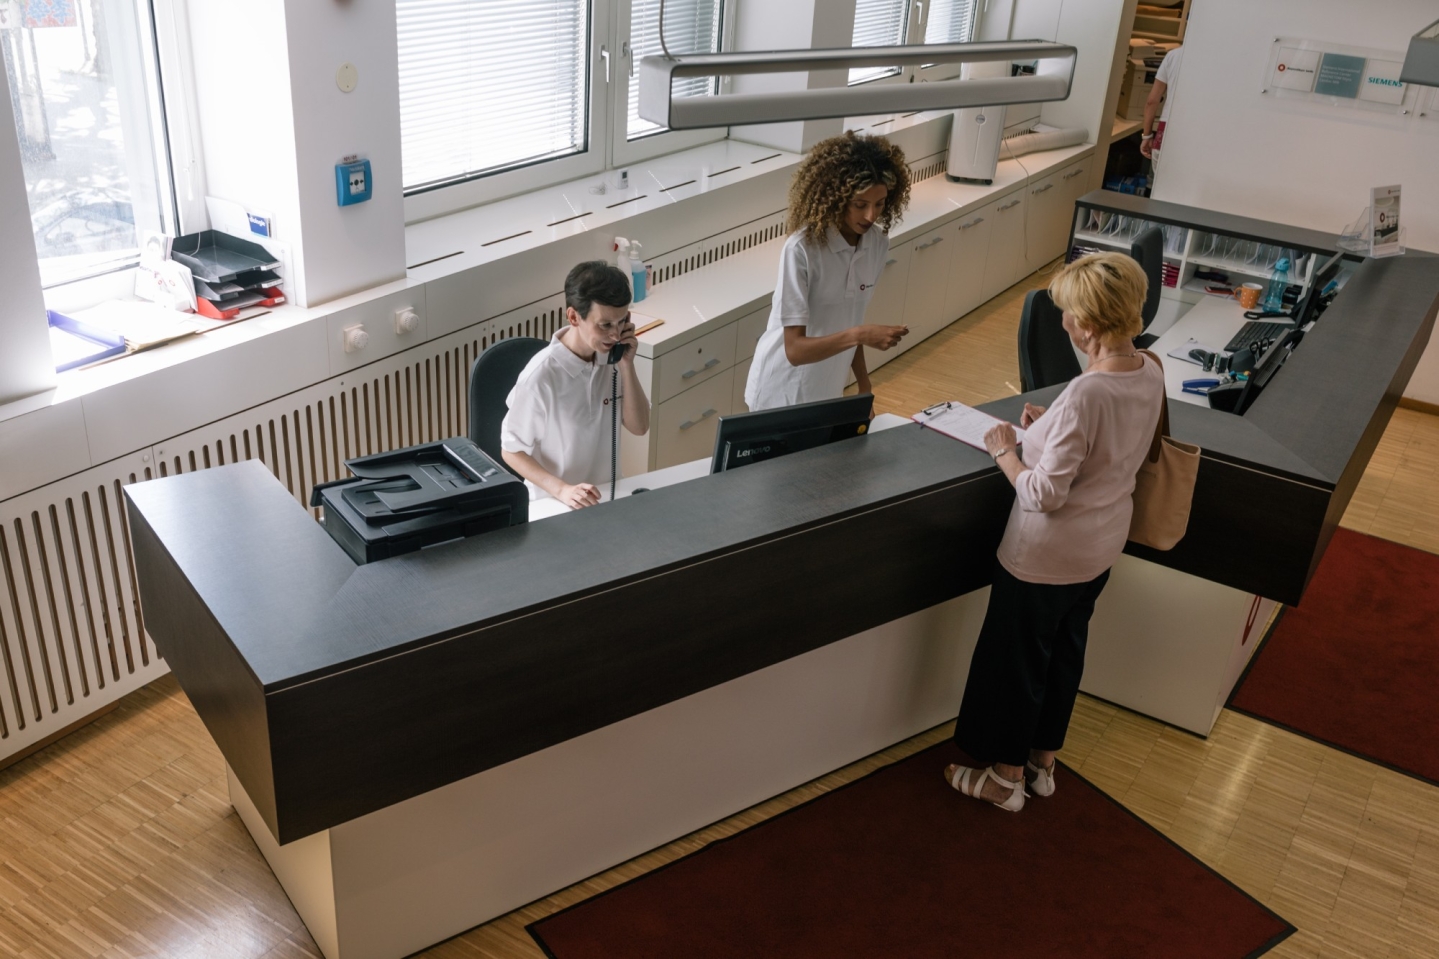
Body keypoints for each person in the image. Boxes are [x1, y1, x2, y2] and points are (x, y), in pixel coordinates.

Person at [944, 252, 1164, 812]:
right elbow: (1111, 446)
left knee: (1017, 664)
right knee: (1065, 654)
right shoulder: (1149, 369)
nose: (1063, 320)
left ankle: (1004, 779)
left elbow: (1043, 494)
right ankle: (1043, 765)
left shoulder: (1090, 392)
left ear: (1087, 325)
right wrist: (1051, 430)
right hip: (1099, 549)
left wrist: (1007, 453)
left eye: (1067, 312)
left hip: (1046, 557)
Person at [744, 132, 913, 412]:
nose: (871, 216)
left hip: (828, 388)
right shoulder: (802, 249)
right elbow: (795, 350)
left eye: (880, 203)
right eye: (860, 205)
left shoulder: (877, 244)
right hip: (781, 391)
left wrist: (864, 387)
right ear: (837, 198)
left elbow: (850, 319)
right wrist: (861, 334)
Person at [500, 261, 650, 509]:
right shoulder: (539, 377)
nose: (615, 334)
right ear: (573, 317)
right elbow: (511, 451)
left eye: (622, 321)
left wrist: (626, 365)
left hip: (605, 497)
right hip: (554, 503)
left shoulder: (612, 357)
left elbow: (640, 427)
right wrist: (563, 490)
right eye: (605, 325)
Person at [1140, 45, 1183, 178]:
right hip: (1196, 135)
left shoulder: (1173, 56)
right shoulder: (1216, 57)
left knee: (1160, 189)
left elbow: (1152, 101)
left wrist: (1146, 136)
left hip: (1165, 131)